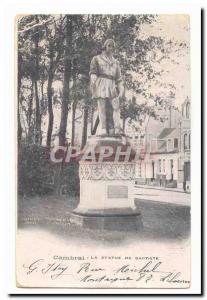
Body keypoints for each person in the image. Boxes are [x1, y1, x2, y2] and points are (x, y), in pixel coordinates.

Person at [89, 39, 125, 135]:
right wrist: (93, 82)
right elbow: (93, 72)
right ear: (105, 46)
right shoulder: (97, 59)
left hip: (112, 85)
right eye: (109, 45)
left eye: (113, 46)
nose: (111, 48)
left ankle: (117, 128)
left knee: (116, 107)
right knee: (102, 107)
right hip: (101, 83)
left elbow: (119, 78)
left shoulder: (116, 62)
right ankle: (103, 128)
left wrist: (121, 89)